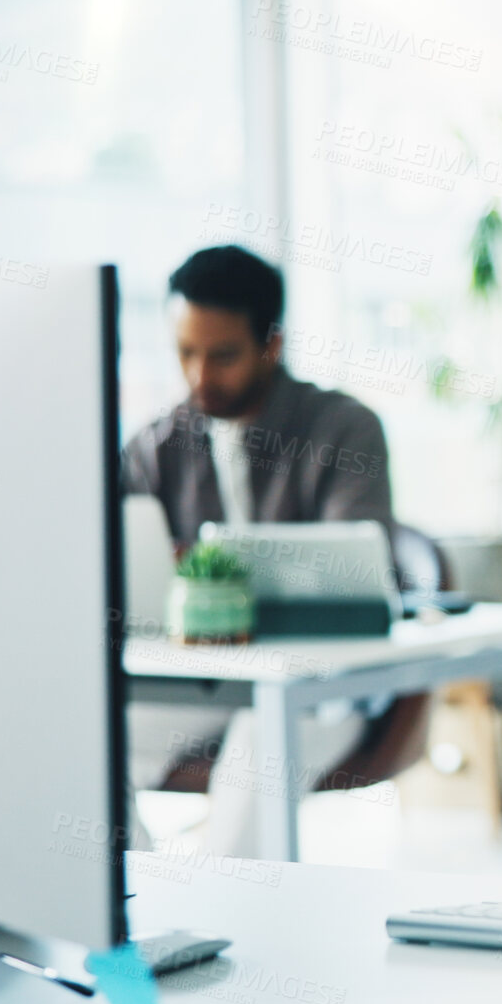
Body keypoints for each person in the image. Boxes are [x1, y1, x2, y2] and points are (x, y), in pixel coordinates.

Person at [123, 244, 394, 856]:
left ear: (271, 343)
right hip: (202, 681)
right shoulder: (154, 446)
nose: (199, 377)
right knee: (86, 738)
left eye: (221, 356)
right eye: (185, 353)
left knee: (260, 746)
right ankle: (146, 914)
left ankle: (224, 931)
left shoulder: (344, 430)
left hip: (319, 686)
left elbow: (351, 567)